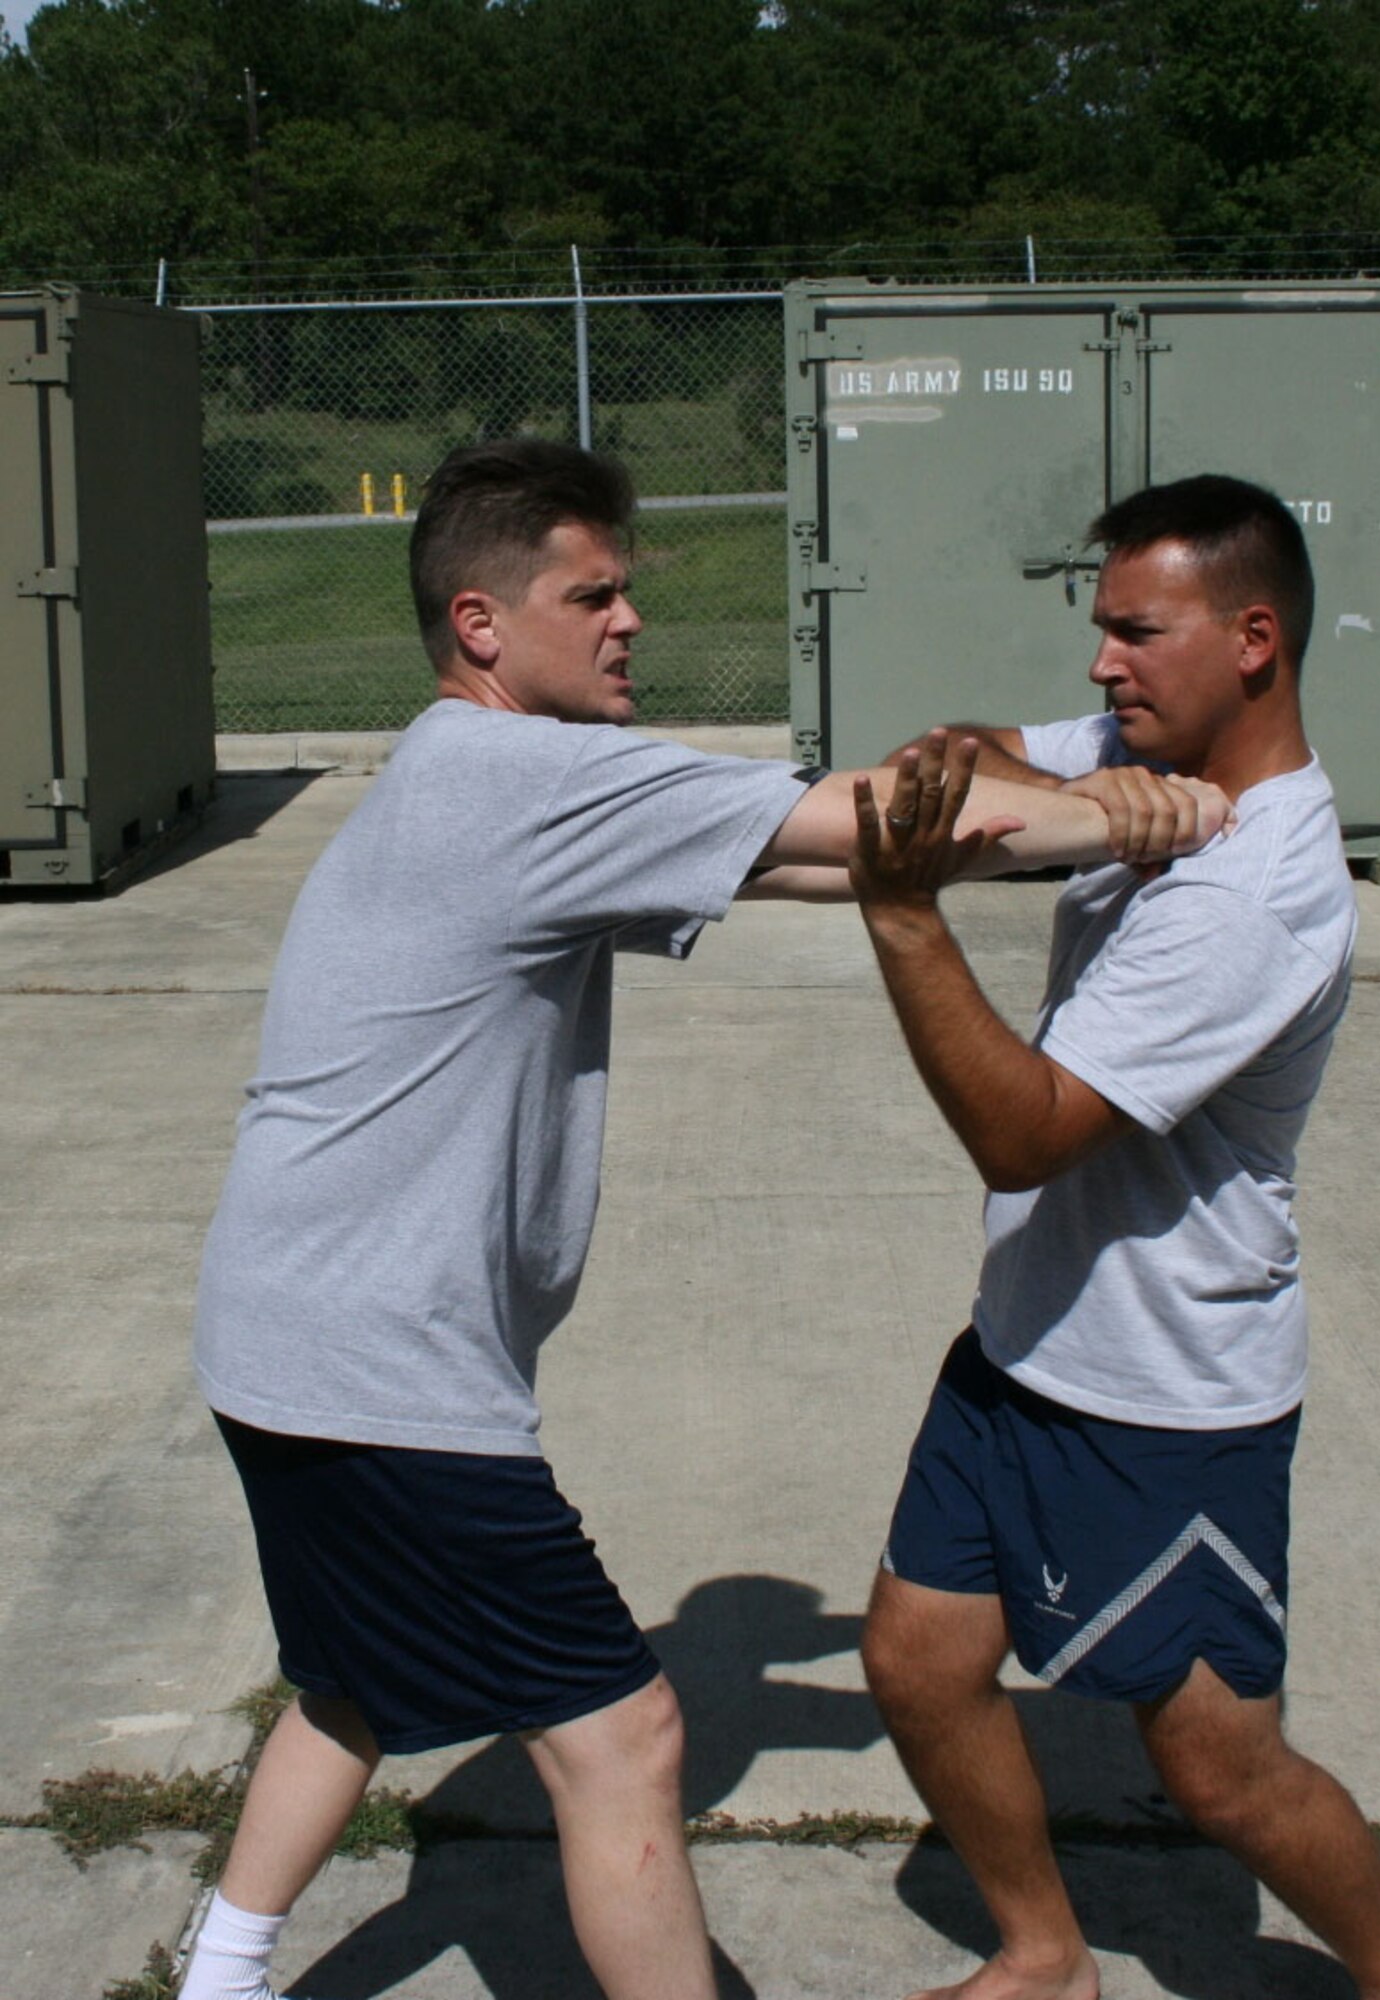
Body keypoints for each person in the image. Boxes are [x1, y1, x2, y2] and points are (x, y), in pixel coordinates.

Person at [182, 437, 1227, 2000]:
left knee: (351, 1678)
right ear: (482, 623)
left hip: (277, 1337)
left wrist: (1037, 826)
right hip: (380, 1367)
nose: (628, 624)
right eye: (590, 595)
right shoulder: (525, 777)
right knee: (627, 1737)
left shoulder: (466, 774)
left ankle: (217, 1974)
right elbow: (877, 815)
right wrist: (1153, 814)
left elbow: (829, 865)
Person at [848, 474, 1380, 2000]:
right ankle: (1047, 1954)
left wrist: (910, 912)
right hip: (1024, 1344)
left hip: (1168, 1400)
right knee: (918, 1664)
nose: (1103, 666)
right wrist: (1082, 802)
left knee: (1222, 1775)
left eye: (1135, 632)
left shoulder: (1260, 893)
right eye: (1099, 631)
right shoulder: (1142, 753)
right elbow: (954, 754)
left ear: (1253, 638)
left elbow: (1027, 1127)